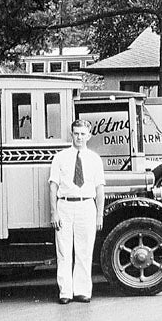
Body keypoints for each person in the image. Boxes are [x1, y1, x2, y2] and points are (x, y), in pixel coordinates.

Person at [48, 119, 106, 304]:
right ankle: (65, 292)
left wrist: (99, 215)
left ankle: (82, 291)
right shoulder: (60, 157)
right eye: (76, 133)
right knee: (64, 251)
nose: (79, 137)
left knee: (84, 250)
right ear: (71, 134)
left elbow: (100, 189)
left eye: (83, 134)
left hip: (86, 206)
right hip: (64, 205)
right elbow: (53, 186)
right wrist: (54, 212)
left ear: (89, 136)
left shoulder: (95, 159)